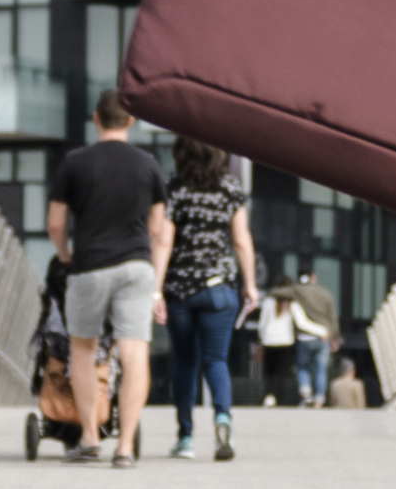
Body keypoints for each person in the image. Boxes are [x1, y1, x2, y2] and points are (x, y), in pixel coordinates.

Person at [41, 91, 172, 465]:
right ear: (130, 122)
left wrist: (66, 255)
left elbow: (55, 223)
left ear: (95, 119)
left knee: (83, 350)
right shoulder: (148, 164)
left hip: (90, 266)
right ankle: (126, 447)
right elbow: (158, 227)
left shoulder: (75, 163)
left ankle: (89, 437)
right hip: (136, 267)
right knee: (134, 353)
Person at [160, 137, 258, 460]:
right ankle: (222, 418)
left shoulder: (174, 187)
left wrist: (155, 288)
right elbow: (241, 240)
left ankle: (185, 437)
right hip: (220, 289)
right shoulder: (230, 188)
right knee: (216, 360)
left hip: (180, 290)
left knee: (185, 362)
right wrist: (251, 285)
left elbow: (164, 240)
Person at [280, 267, 339, 409]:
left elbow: (277, 293)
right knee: (320, 369)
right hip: (322, 337)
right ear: (313, 277)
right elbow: (333, 318)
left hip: (304, 338)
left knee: (302, 367)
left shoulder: (297, 291)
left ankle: (306, 394)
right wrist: (335, 337)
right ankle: (319, 400)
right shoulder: (325, 294)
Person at [254, 278, 306, 407]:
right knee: (281, 373)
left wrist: (260, 339)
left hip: (269, 340)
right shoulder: (292, 303)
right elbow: (301, 322)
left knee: (268, 372)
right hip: (285, 341)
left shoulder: (268, 301)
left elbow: (262, 323)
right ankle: (279, 398)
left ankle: (268, 395)